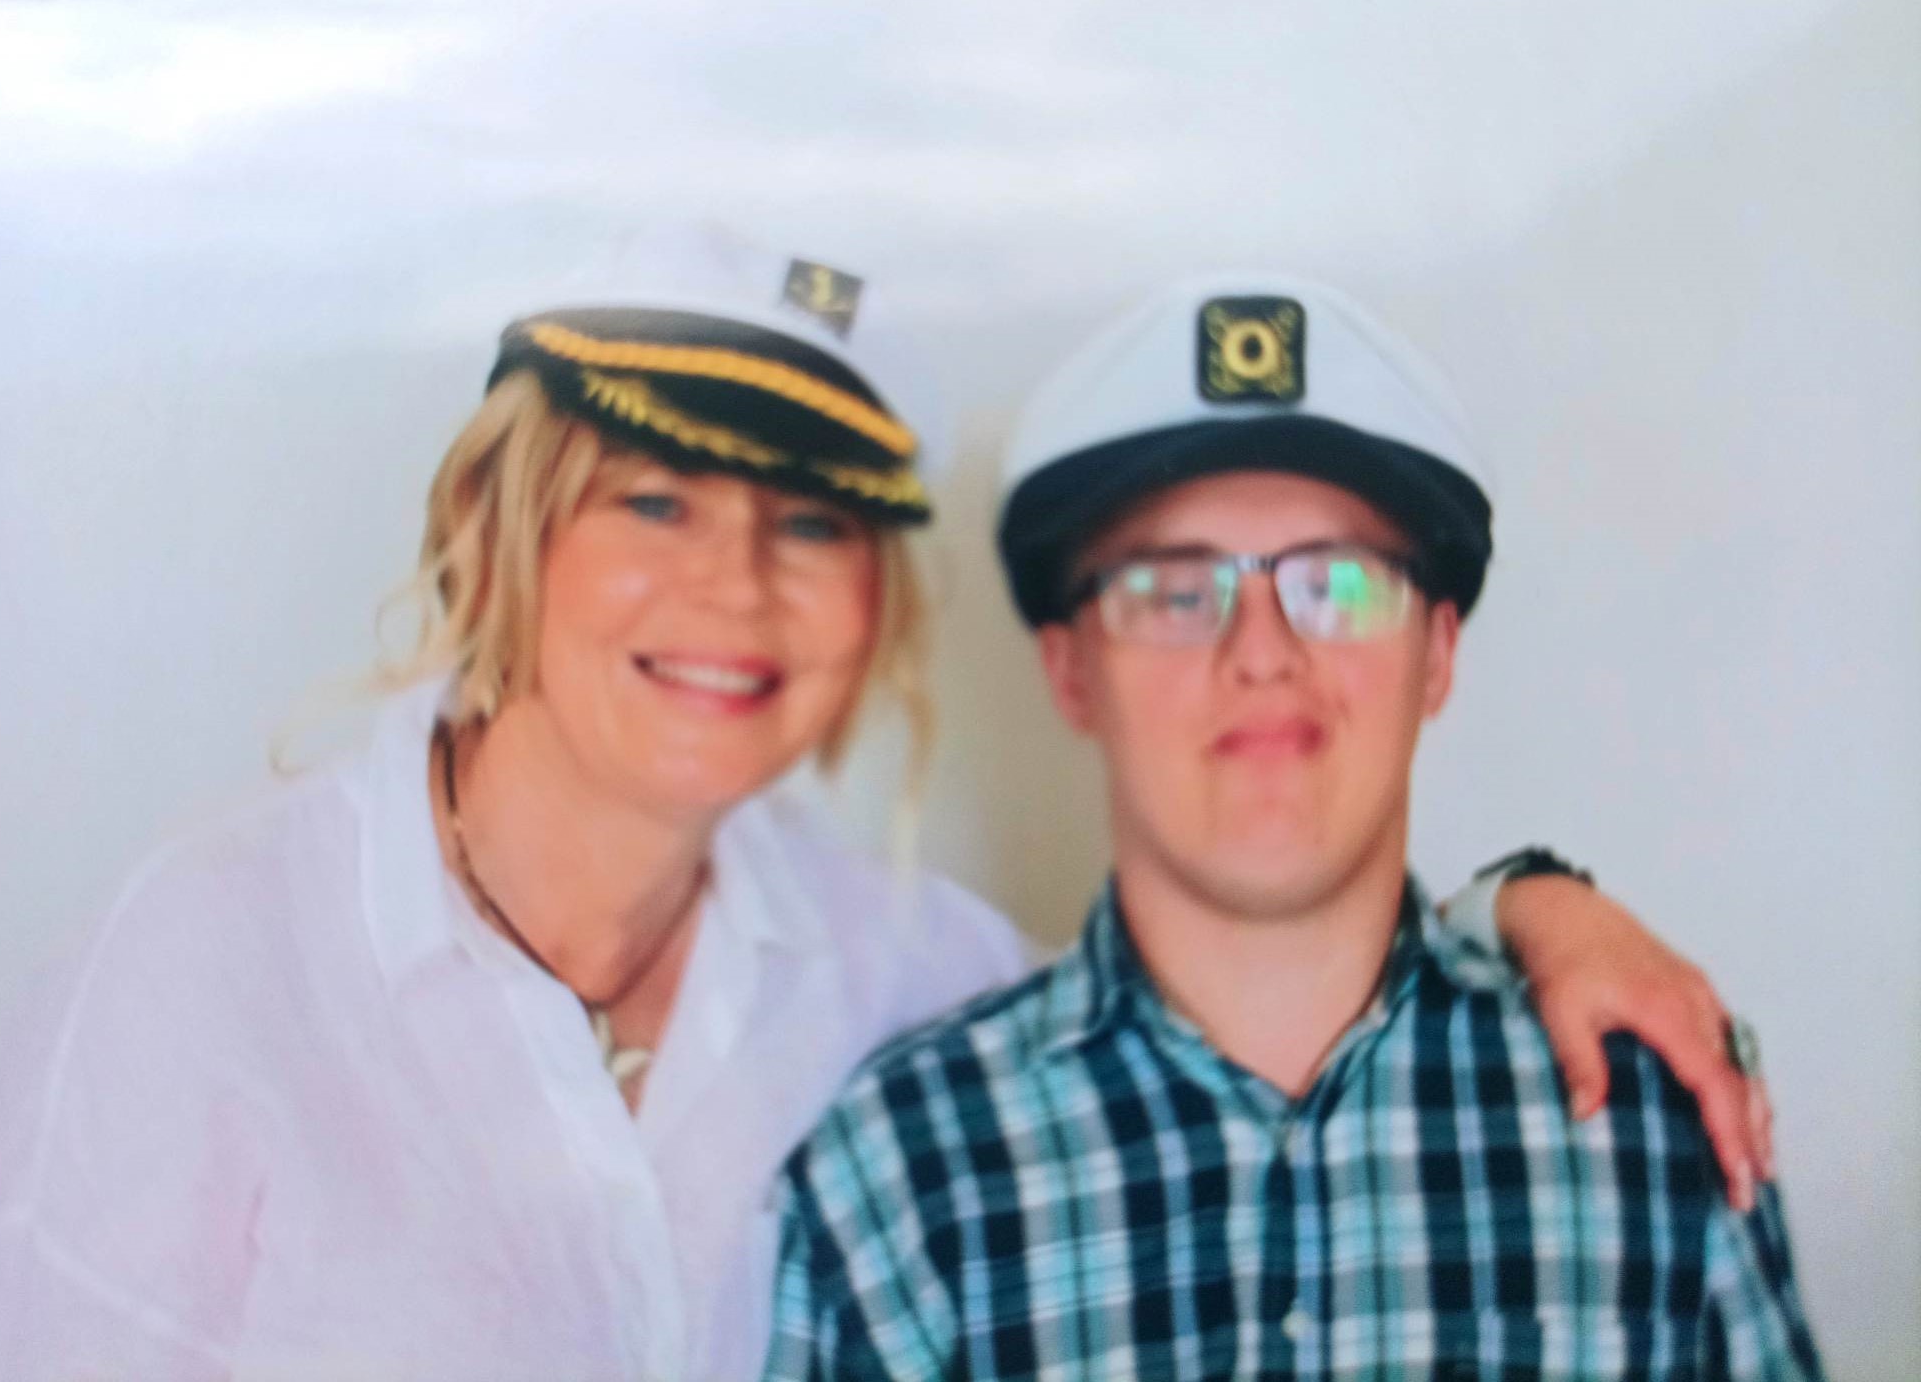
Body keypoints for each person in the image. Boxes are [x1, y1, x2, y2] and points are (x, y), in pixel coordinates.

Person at [0, 231, 1765, 1381]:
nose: (736, 585)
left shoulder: (907, 977)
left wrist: (1524, 906)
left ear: (875, 606)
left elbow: (1235, 997)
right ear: (502, 526)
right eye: (654, 498)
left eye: (810, 523)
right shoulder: (207, 966)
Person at [763, 273, 1821, 1380]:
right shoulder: (894, 1177)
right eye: (1177, 590)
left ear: (1437, 655)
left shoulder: (1651, 1119)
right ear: (1071, 672)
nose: (1261, 651)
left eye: (1339, 583)